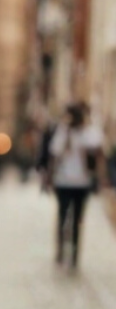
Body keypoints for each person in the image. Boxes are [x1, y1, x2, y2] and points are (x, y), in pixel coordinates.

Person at [47, 101, 105, 269]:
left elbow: (99, 150)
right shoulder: (63, 131)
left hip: (82, 183)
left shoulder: (89, 131)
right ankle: (60, 250)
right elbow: (55, 152)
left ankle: (74, 254)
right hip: (64, 182)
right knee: (63, 217)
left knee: (78, 220)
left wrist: (100, 178)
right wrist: (50, 178)